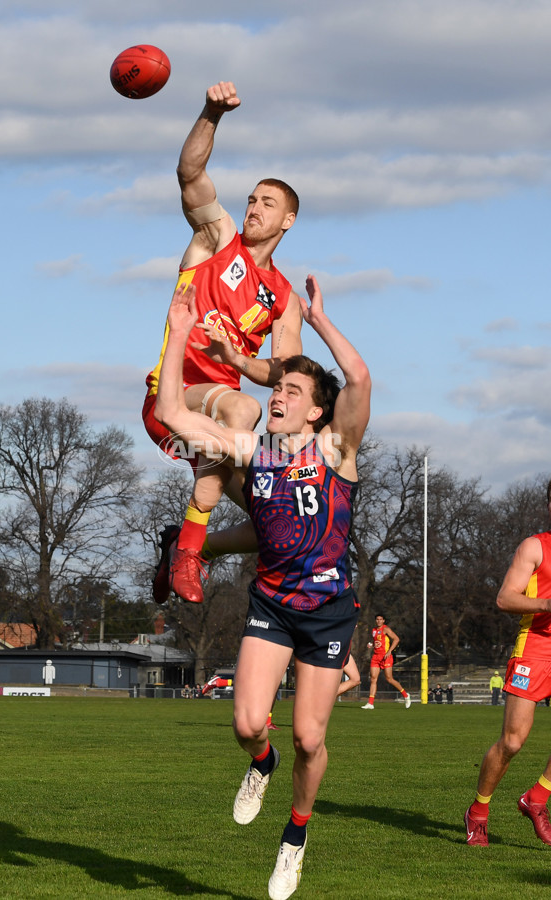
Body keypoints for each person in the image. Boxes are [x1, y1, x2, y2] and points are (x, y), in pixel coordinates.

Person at [154, 272, 371, 900]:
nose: (277, 394)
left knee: (310, 736)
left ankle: (296, 837)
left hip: (328, 612)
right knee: (250, 725)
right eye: (276, 386)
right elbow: (171, 413)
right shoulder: (254, 451)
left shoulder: (337, 450)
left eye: (292, 389)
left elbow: (358, 379)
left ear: (316, 408)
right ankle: (261, 765)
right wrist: (180, 331)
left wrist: (322, 320)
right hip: (273, 606)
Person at [144, 80, 303, 605]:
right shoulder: (217, 238)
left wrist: (233, 356)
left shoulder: (282, 297)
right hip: (171, 399)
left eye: (268, 202)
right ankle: (189, 550)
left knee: (273, 523)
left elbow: (282, 374)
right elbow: (190, 173)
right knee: (240, 408)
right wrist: (211, 112)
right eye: (252, 198)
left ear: (288, 220)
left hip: (216, 423)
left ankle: (189, 547)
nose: (254, 207)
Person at [465, 478, 551, 848]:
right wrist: (547, 605)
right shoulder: (535, 546)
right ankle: (478, 811)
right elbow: (505, 598)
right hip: (535, 647)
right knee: (513, 742)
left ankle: (538, 798)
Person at [361, 614, 411, 709]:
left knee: (389, 679)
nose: (379, 621)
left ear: (383, 621)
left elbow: (396, 639)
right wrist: (371, 644)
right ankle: (370, 703)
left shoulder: (386, 629)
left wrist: (389, 651)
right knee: (373, 679)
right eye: (377, 619)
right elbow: (375, 640)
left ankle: (406, 695)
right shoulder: (374, 630)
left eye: (381, 619)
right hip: (376, 657)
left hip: (386, 657)